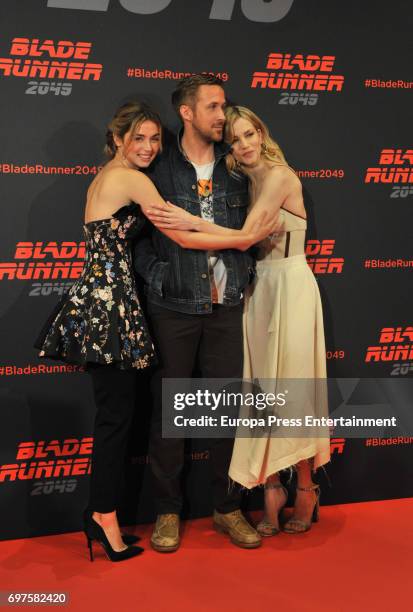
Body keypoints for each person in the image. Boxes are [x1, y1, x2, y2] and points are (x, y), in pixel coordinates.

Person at [35, 99, 275, 561]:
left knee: (116, 418)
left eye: (153, 138)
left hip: (110, 302)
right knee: (115, 420)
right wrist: (244, 239)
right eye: (137, 138)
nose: (147, 146)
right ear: (117, 140)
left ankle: (100, 514)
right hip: (109, 307)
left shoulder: (110, 176)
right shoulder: (127, 178)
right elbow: (180, 232)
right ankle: (103, 516)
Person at [146, 104, 331, 537]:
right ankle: (270, 488)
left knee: (294, 388)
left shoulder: (281, 176)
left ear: (262, 132)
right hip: (255, 290)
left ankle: (305, 487)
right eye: (235, 139)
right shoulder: (243, 179)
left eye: (250, 134)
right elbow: (246, 243)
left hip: (291, 287)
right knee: (260, 393)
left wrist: (190, 222)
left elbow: (247, 236)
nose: (244, 145)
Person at [134, 75, 279, 553]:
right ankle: (167, 512)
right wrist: (158, 278)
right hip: (172, 306)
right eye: (213, 107)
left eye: (223, 107)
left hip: (226, 308)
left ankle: (228, 507)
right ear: (187, 112)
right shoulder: (158, 165)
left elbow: (261, 225)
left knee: (224, 412)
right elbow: (132, 237)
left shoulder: (238, 166)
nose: (223, 116)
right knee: (168, 416)